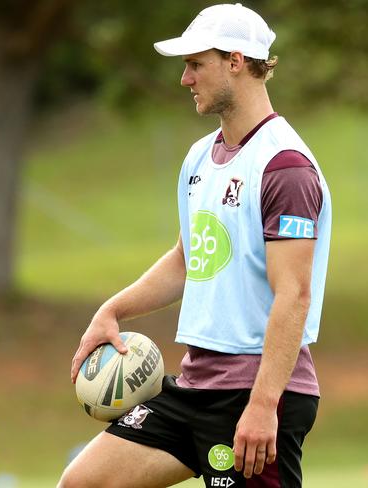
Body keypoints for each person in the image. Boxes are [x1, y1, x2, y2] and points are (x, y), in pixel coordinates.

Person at [58, 3, 331, 487]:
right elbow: (188, 259)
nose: (185, 79)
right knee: (83, 482)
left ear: (236, 61)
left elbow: (294, 295)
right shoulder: (199, 157)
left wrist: (264, 405)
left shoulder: (285, 167)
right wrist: (112, 310)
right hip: (196, 385)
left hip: (256, 392)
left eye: (195, 64)